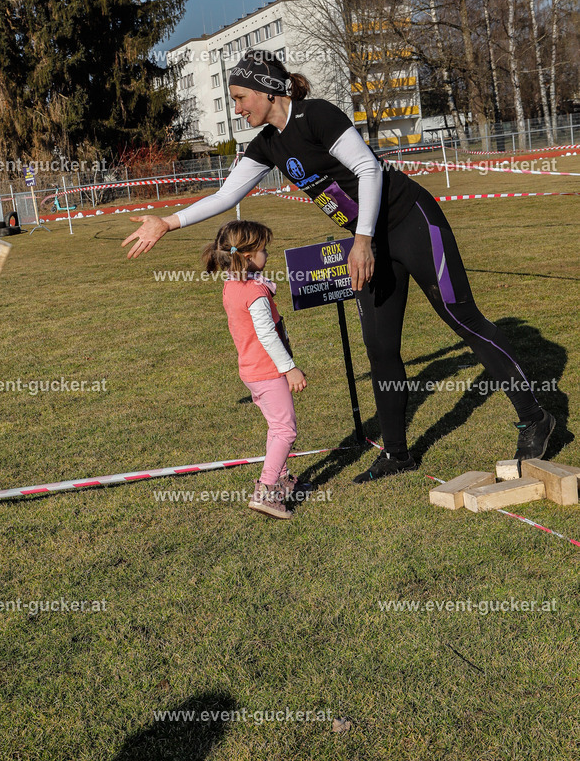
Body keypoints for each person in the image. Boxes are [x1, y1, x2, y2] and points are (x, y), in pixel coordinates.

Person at [123, 48, 555, 480]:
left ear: (268, 90)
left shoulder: (317, 115)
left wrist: (361, 241)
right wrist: (167, 222)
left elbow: (368, 168)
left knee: (462, 317)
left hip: (411, 221)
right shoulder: (267, 144)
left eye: (240, 98)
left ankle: (535, 418)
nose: (236, 109)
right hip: (368, 242)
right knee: (380, 347)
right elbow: (226, 195)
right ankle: (397, 454)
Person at [201, 219, 307, 520]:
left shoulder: (232, 285)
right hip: (267, 371)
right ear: (248, 256)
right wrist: (290, 369)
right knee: (286, 430)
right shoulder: (254, 292)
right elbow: (267, 336)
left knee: (276, 426)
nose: (268, 254)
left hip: (251, 371)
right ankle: (267, 490)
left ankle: (282, 480)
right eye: (264, 249)